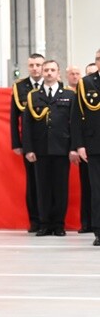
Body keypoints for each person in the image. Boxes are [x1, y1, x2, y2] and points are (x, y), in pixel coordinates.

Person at [22, 59, 73, 236]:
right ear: (42, 73)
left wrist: (73, 148)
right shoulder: (33, 96)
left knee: (60, 188)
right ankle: (44, 224)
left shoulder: (69, 95)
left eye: (52, 70)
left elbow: (73, 125)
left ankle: (58, 224)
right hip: (40, 150)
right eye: (46, 70)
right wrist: (28, 149)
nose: (49, 73)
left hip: (61, 149)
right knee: (42, 188)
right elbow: (27, 125)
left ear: (58, 73)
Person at [11, 54, 46, 233]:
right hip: (29, 143)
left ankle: (49, 220)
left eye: (39, 64)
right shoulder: (20, 87)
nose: (35, 68)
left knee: (48, 183)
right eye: (31, 65)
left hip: (50, 144)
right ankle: (35, 221)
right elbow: (13, 117)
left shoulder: (53, 87)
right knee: (32, 183)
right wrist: (17, 143)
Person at [71, 53, 100, 246]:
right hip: (94, 145)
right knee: (97, 190)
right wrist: (79, 145)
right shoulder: (86, 83)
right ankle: (98, 230)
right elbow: (76, 117)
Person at [65, 65, 91, 232]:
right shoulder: (73, 95)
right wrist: (76, 146)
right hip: (87, 146)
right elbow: (74, 123)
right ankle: (88, 223)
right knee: (88, 187)